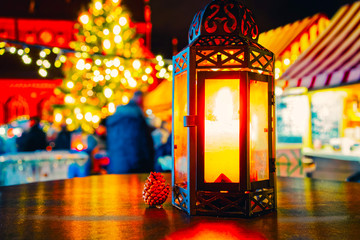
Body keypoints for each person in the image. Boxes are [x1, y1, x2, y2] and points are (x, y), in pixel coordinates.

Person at [106, 91, 155, 174]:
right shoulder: (137, 119)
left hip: (117, 165)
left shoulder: (113, 121)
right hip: (137, 165)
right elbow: (145, 143)